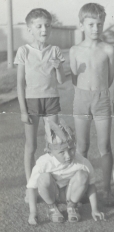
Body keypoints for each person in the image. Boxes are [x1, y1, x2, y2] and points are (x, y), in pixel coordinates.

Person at [69, 3, 114, 206]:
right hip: (81, 99)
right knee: (82, 146)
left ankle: (106, 189)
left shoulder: (108, 49)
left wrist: (98, 92)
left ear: (103, 24)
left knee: (104, 145)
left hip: (102, 99)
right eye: (90, 24)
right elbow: (73, 78)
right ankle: (81, 189)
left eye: (99, 24)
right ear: (81, 26)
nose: (95, 28)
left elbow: (110, 77)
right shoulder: (74, 50)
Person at [14, 8, 66, 184]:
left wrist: (58, 66)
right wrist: (23, 110)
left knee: (55, 143)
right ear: (30, 29)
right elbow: (20, 83)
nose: (44, 30)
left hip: (51, 100)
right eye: (39, 26)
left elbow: (61, 80)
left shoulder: (55, 50)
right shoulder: (24, 51)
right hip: (31, 102)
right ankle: (31, 185)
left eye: (47, 26)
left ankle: (54, 181)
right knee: (31, 145)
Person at [27, 119, 105, 225]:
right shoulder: (43, 162)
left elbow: (91, 185)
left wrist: (95, 209)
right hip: (53, 193)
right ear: (50, 152)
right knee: (43, 178)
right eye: (61, 152)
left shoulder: (82, 162)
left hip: (71, 193)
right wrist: (33, 212)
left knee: (83, 175)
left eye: (71, 149)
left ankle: (72, 206)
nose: (68, 156)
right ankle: (52, 207)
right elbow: (31, 187)